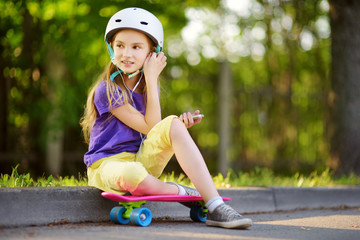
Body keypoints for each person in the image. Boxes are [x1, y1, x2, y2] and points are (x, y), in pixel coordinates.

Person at [80, 7, 252, 229]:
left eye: (136, 47)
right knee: (133, 173)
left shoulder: (148, 89)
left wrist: (177, 126)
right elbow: (150, 127)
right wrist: (151, 77)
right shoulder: (107, 90)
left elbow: (156, 129)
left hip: (140, 161)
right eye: (120, 45)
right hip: (106, 166)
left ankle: (216, 206)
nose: (127, 54)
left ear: (152, 52)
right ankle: (183, 191)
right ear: (111, 48)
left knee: (173, 123)